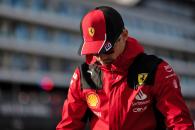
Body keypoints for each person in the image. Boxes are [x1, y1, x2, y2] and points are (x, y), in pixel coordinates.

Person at [56, 6, 194, 130]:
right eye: (94, 51)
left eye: (107, 49)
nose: (101, 57)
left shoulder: (157, 70)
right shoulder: (83, 75)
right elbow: (69, 125)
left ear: (124, 35)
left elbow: (179, 123)